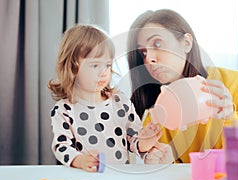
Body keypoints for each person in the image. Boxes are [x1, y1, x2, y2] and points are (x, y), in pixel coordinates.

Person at [126, 9, 238, 163]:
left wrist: (230, 119)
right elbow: (174, 176)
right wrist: (165, 163)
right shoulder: (158, 113)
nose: (149, 58)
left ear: (186, 43)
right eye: (143, 53)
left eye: (157, 44)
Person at [48, 24, 173, 172]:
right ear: (73, 68)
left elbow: (132, 141)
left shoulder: (120, 103)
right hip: (84, 179)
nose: (103, 72)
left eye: (107, 65)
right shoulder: (63, 110)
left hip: (120, 179)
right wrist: (79, 160)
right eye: (95, 66)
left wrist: (144, 140)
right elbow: (61, 146)